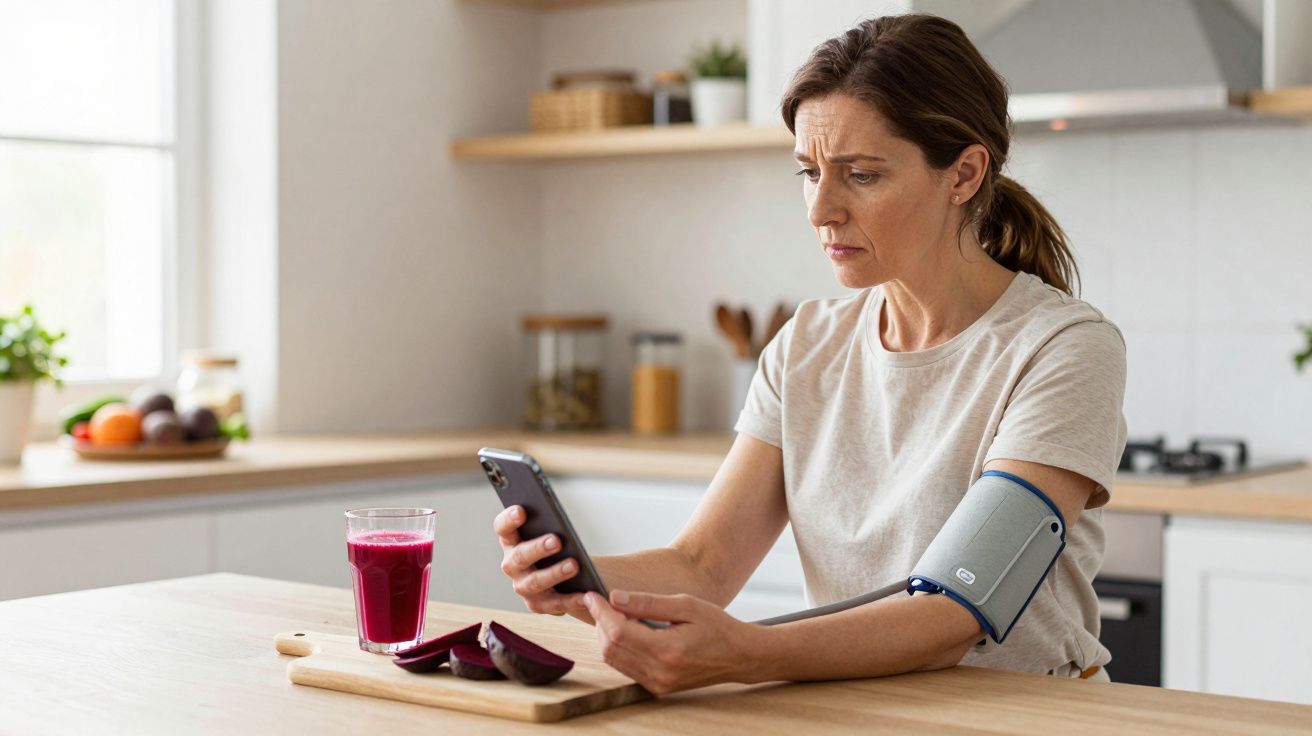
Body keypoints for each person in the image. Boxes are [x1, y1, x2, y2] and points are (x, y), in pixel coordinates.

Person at [492, 13, 1127, 693]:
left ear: (964, 174)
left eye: (860, 175)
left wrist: (747, 654)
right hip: (856, 712)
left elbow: (954, 611)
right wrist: (577, 577)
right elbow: (703, 564)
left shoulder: (1063, 348)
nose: (820, 209)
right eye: (808, 171)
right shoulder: (806, 346)